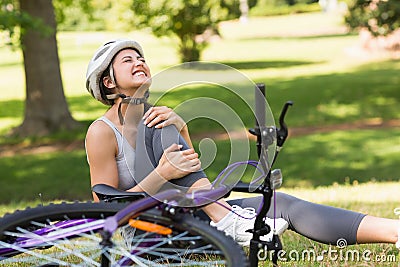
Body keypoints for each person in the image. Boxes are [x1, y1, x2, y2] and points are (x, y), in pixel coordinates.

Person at [85, 39, 400, 249]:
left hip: (183, 214)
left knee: (278, 204)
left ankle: (393, 231)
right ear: (108, 82)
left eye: (141, 58)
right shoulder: (102, 132)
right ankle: (225, 219)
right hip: (145, 236)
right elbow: (104, 210)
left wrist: (180, 126)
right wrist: (161, 173)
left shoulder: (158, 120)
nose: (139, 61)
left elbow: (189, 176)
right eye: (128, 60)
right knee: (164, 126)